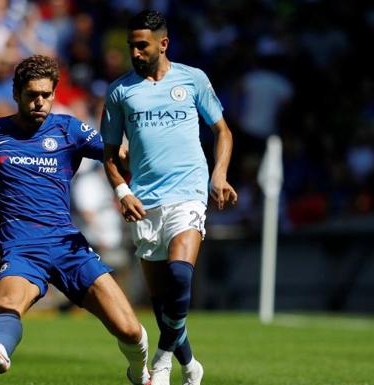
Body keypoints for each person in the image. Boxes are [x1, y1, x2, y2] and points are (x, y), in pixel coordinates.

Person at [0, 55, 151, 385]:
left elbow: (119, 157)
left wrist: (142, 154)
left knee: (129, 330)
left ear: (54, 93)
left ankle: (139, 371)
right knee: (8, 304)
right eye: (32, 94)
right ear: (16, 93)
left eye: (46, 94)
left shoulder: (70, 129)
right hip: (21, 248)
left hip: (68, 245)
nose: (40, 102)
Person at [100, 10, 238, 385]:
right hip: (144, 202)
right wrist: (122, 190)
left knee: (180, 274)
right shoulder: (119, 92)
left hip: (189, 193)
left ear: (163, 43)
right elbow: (109, 155)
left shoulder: (193, 80)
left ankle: (161, 361)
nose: (135, 52)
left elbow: (222, 131)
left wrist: (219, 174)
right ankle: (191, 365)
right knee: (163, 301)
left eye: (142, 45)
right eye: (131, 46)